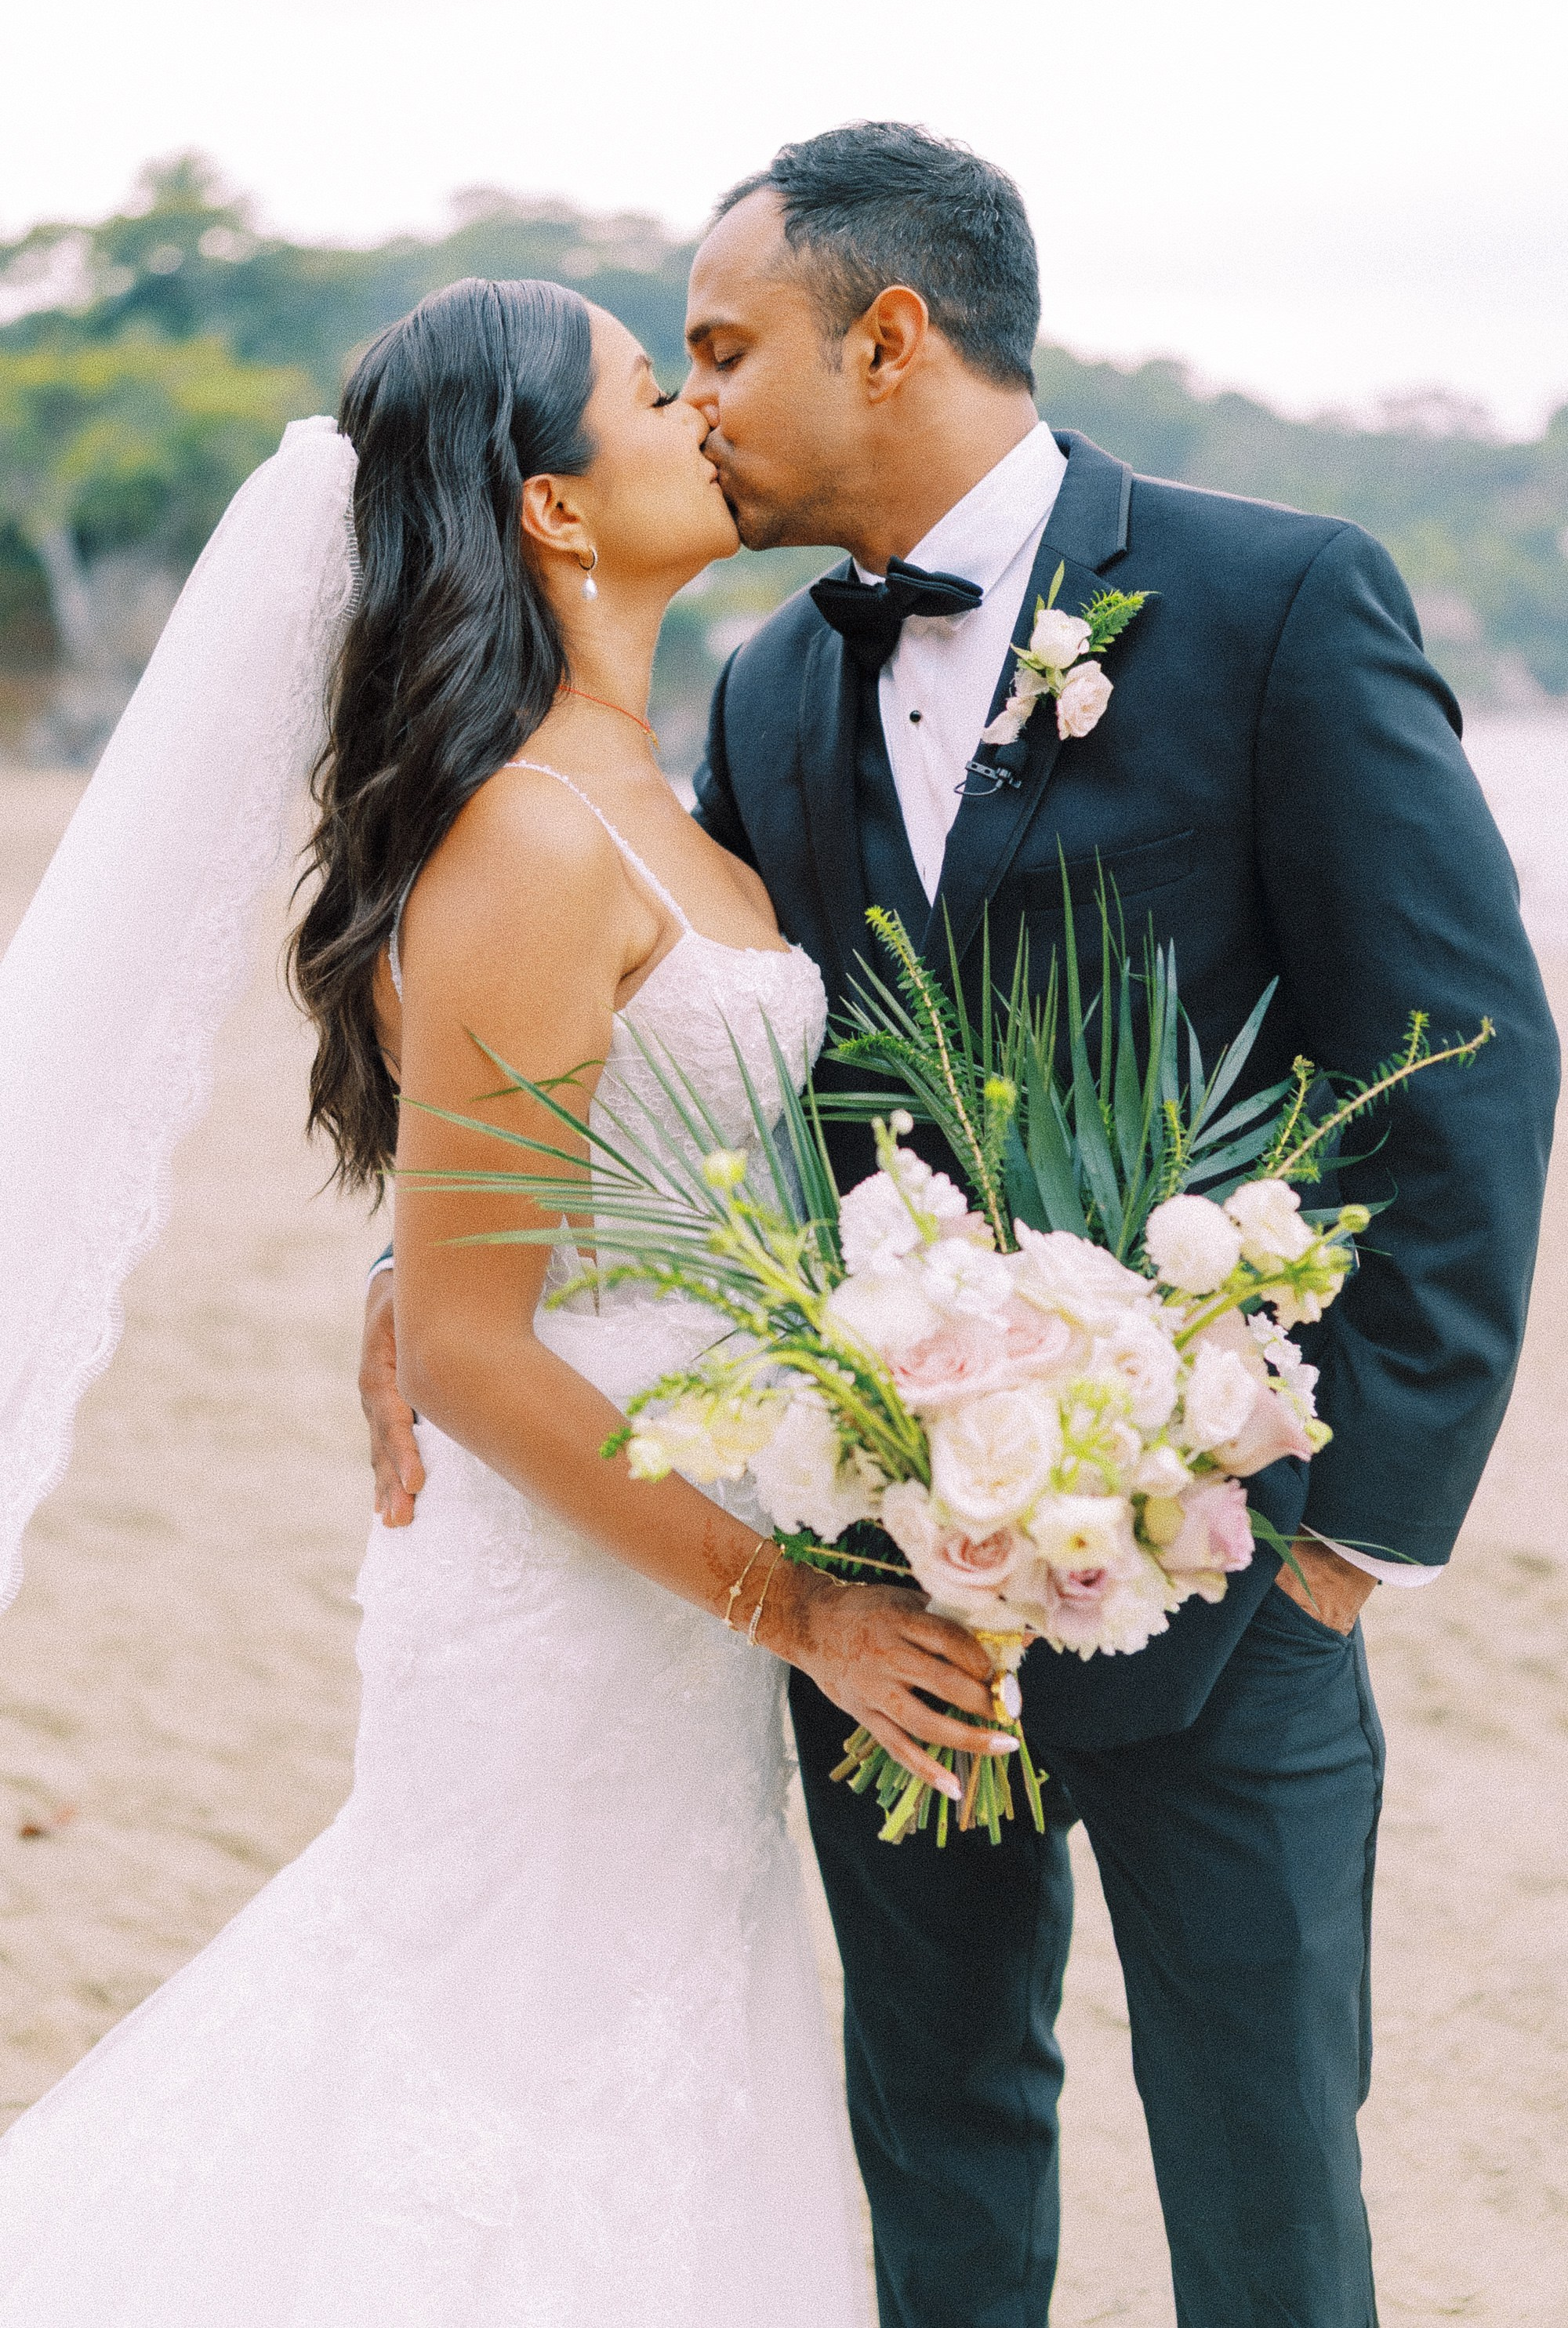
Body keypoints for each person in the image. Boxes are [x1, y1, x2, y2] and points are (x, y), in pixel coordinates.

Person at [354, 122, 1564, 2328]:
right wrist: (421, 1266)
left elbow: (1473, 1059)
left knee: (1272, 2193)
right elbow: (655, 1054)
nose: (697, 401)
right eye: (673, 370)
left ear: (888, 335)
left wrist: (1348, 1539)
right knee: (940, 2160)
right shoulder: (776, 690)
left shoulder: (1278, 595)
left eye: (724, 348)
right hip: (881, 1595)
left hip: (1230, 1579)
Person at [0, 274, 1012, 2323]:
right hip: (580, 1587)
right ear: (557, 508)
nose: (703, 415)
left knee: (637, 2082)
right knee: (488, 2093)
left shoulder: (651, 794)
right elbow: (467, 1347)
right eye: (657, 391)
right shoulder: (538, 843)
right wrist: (800, 1606)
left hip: (670, 1575)